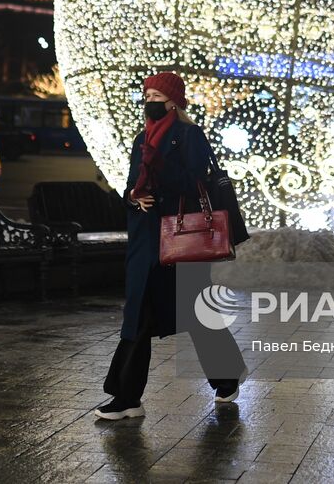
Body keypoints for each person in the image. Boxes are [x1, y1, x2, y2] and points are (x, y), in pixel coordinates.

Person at [95, 71, 248, 421]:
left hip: (183, 241)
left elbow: (196, 185)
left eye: (156, 96)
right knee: (139, 315)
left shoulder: (189, 135)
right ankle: (127, 397)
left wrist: (159, 164)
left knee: (196, 313)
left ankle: (226, 378)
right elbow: (130, 186)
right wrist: (135, 198)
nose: (149, 101)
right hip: (147, 242)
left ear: (174, 101)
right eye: (146, 94)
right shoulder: (140, 139)